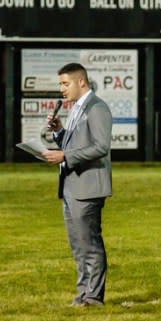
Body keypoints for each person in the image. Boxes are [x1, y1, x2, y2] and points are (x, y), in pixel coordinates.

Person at [43, 62, 113, 308]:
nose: (62, 89)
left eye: (65, 83)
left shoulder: (97, 108)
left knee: (89, 244)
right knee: (78, 246)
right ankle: (82, 294)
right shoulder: (75, 110)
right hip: (71, 187)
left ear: (80, 82)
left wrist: (65, 156)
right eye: (60, 84)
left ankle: (94, 297)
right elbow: (75, 145)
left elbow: (101, 147)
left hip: (88, 187)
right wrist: (60, 132)